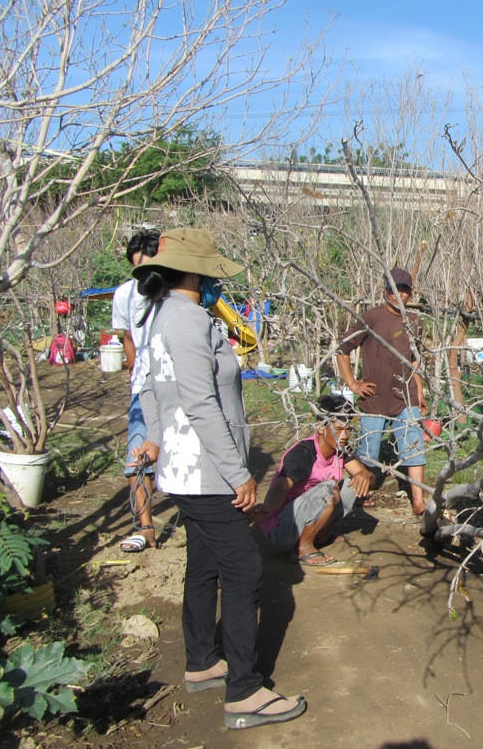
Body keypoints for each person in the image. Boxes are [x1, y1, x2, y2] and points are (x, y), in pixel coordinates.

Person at [132, 228, 306, 729]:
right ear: (194, 271)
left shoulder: (162, 315)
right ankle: (244, 692)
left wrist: (157, 438)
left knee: (205, 564)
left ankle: (203, 660)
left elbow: (148, 386)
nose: (215, 280)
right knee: (244, 571)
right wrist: (238, 474)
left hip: (186, 468)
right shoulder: (186, 320)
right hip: (205, 470)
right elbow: (199, 402)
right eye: (210, 272)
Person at [336, 267, 429, 515]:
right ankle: (360, 495)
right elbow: (343, 349)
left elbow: (415, 361)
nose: (400, 294)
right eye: (395, 289)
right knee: (369, 453)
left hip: (405, 395)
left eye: (405, 290)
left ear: (411, 293)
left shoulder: (414, 322)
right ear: (385, 291)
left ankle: (418, 500)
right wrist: (353, 384)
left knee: (414, 447)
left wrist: (419, 392)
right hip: (374, 398)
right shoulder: (371, 318)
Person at [251, 394, 375, 566]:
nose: (345, 435)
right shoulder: (304, 453)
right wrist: (268, 509)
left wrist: (365, 475)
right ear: (321, 428)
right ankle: (303, 549)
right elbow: (281, 488)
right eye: (339, 430)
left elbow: (364, 474)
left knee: (350, 486)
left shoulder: (340, 450)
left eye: (348, 430)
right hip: (282, 530)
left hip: (306, 514)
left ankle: (318, 535)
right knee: (329, 489)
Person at [112, 226, 161, 553]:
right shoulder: (124, 294)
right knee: (137, 457)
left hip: (178, 386)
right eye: (136, 267)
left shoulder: (176, 292)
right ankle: (146, 528)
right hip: (143, 388)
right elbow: (127, 336)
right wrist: (134, 373)